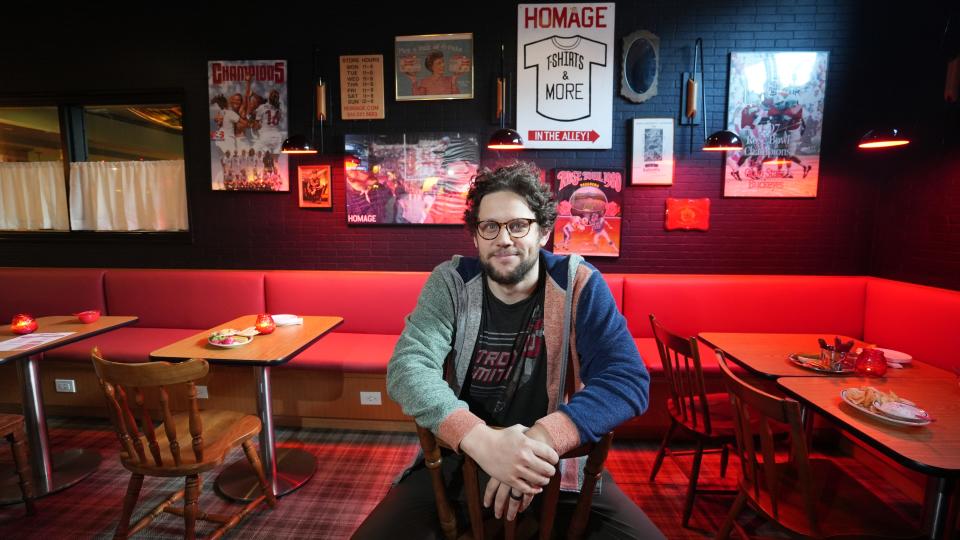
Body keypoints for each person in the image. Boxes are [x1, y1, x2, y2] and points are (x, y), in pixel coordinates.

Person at [353, 162, 662, 539]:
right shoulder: (451, 282)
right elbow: (408, 367)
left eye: (518, 225)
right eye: (490, 227)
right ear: (476, 237)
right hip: (461, 457)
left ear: (544, 231)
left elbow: (627, 379)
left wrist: (538, 442)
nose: (504, 239)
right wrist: (483, 442)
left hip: (554, 465)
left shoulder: (578, 283)